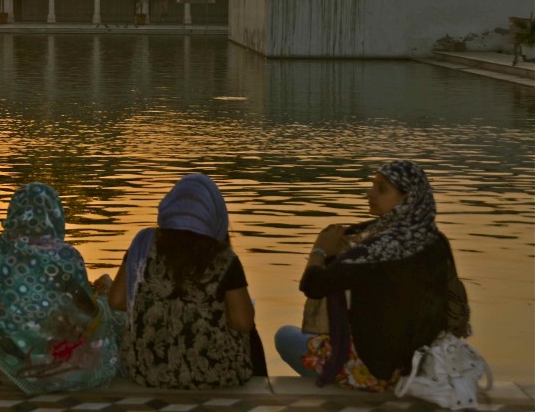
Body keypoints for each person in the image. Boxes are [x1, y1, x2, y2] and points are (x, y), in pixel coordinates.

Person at [274, 160, 469, 391]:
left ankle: (342, 391)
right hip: (424, 365)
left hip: (379, 373)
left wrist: (320, 250)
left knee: (285, 336)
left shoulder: (377, 249)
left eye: (382, 189)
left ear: (406, 199)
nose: (370, 193)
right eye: (373, 186)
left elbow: (313, 285)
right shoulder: (436, 241)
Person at [106, 173, 257, 389]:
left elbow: (116, 301)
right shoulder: (224, 258)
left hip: (146, 371)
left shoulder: (144, 244)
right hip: (216, 375)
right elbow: (243, 323)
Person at [0, 182, 120, 394]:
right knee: (110, 314)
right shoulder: (66, 256)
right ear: (54, 213)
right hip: (57, 371)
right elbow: (85, 316)